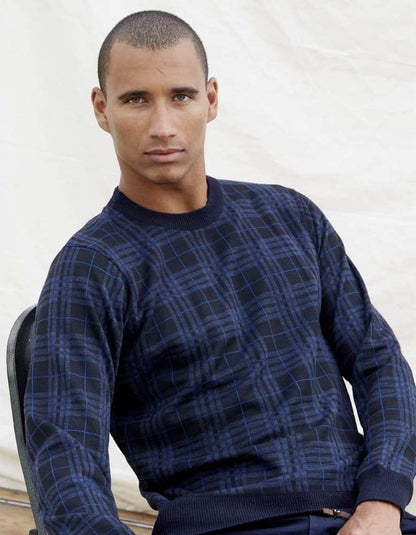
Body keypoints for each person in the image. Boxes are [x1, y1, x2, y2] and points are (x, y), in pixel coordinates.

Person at [24, 10, 416, 535]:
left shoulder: (291, 217)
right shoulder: (92, 267)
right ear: (102, 108)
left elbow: (379, 361)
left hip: (364, 518)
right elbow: (63, 459)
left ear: (210, 99)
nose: (163, 126)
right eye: (136, 99)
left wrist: (384, 499)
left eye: (181, 96)